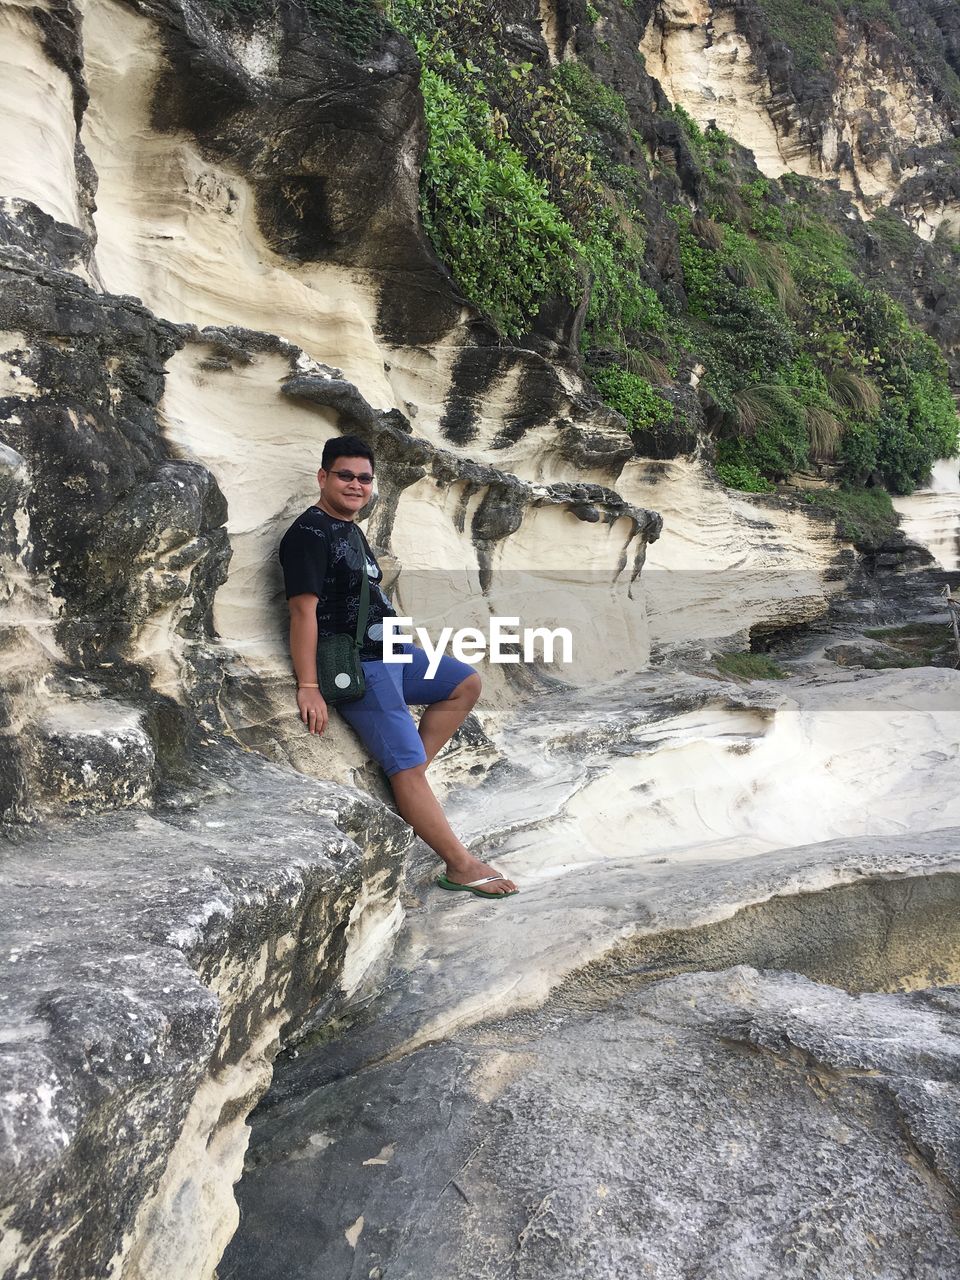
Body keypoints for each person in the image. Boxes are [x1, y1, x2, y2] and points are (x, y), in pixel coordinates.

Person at [279, 434, 518, 899]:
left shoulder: (350, 529)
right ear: (323, 477)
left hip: (392, 652)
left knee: (464, 682)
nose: (356, 485)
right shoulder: (307, 535)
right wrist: (309, 685)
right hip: (358, 664)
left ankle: (410, 780)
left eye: (364, 479)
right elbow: (302, 611)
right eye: (345, 476)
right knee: (404, 766)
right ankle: (460, 865)